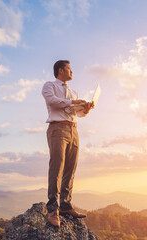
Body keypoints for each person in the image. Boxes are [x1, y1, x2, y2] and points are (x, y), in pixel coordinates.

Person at [42, 60, 93, 227]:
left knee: (71, 168)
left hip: (73, 130)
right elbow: (53, 102)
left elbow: (76, 113)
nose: (72, 72)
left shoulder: (73, 92)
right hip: (58, 129)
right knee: (57, 167)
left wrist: (85, 108)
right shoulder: (49, 86)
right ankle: (52, 210)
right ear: (60, 70)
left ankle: (65, 205)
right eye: (69, 69)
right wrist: (74, 102)